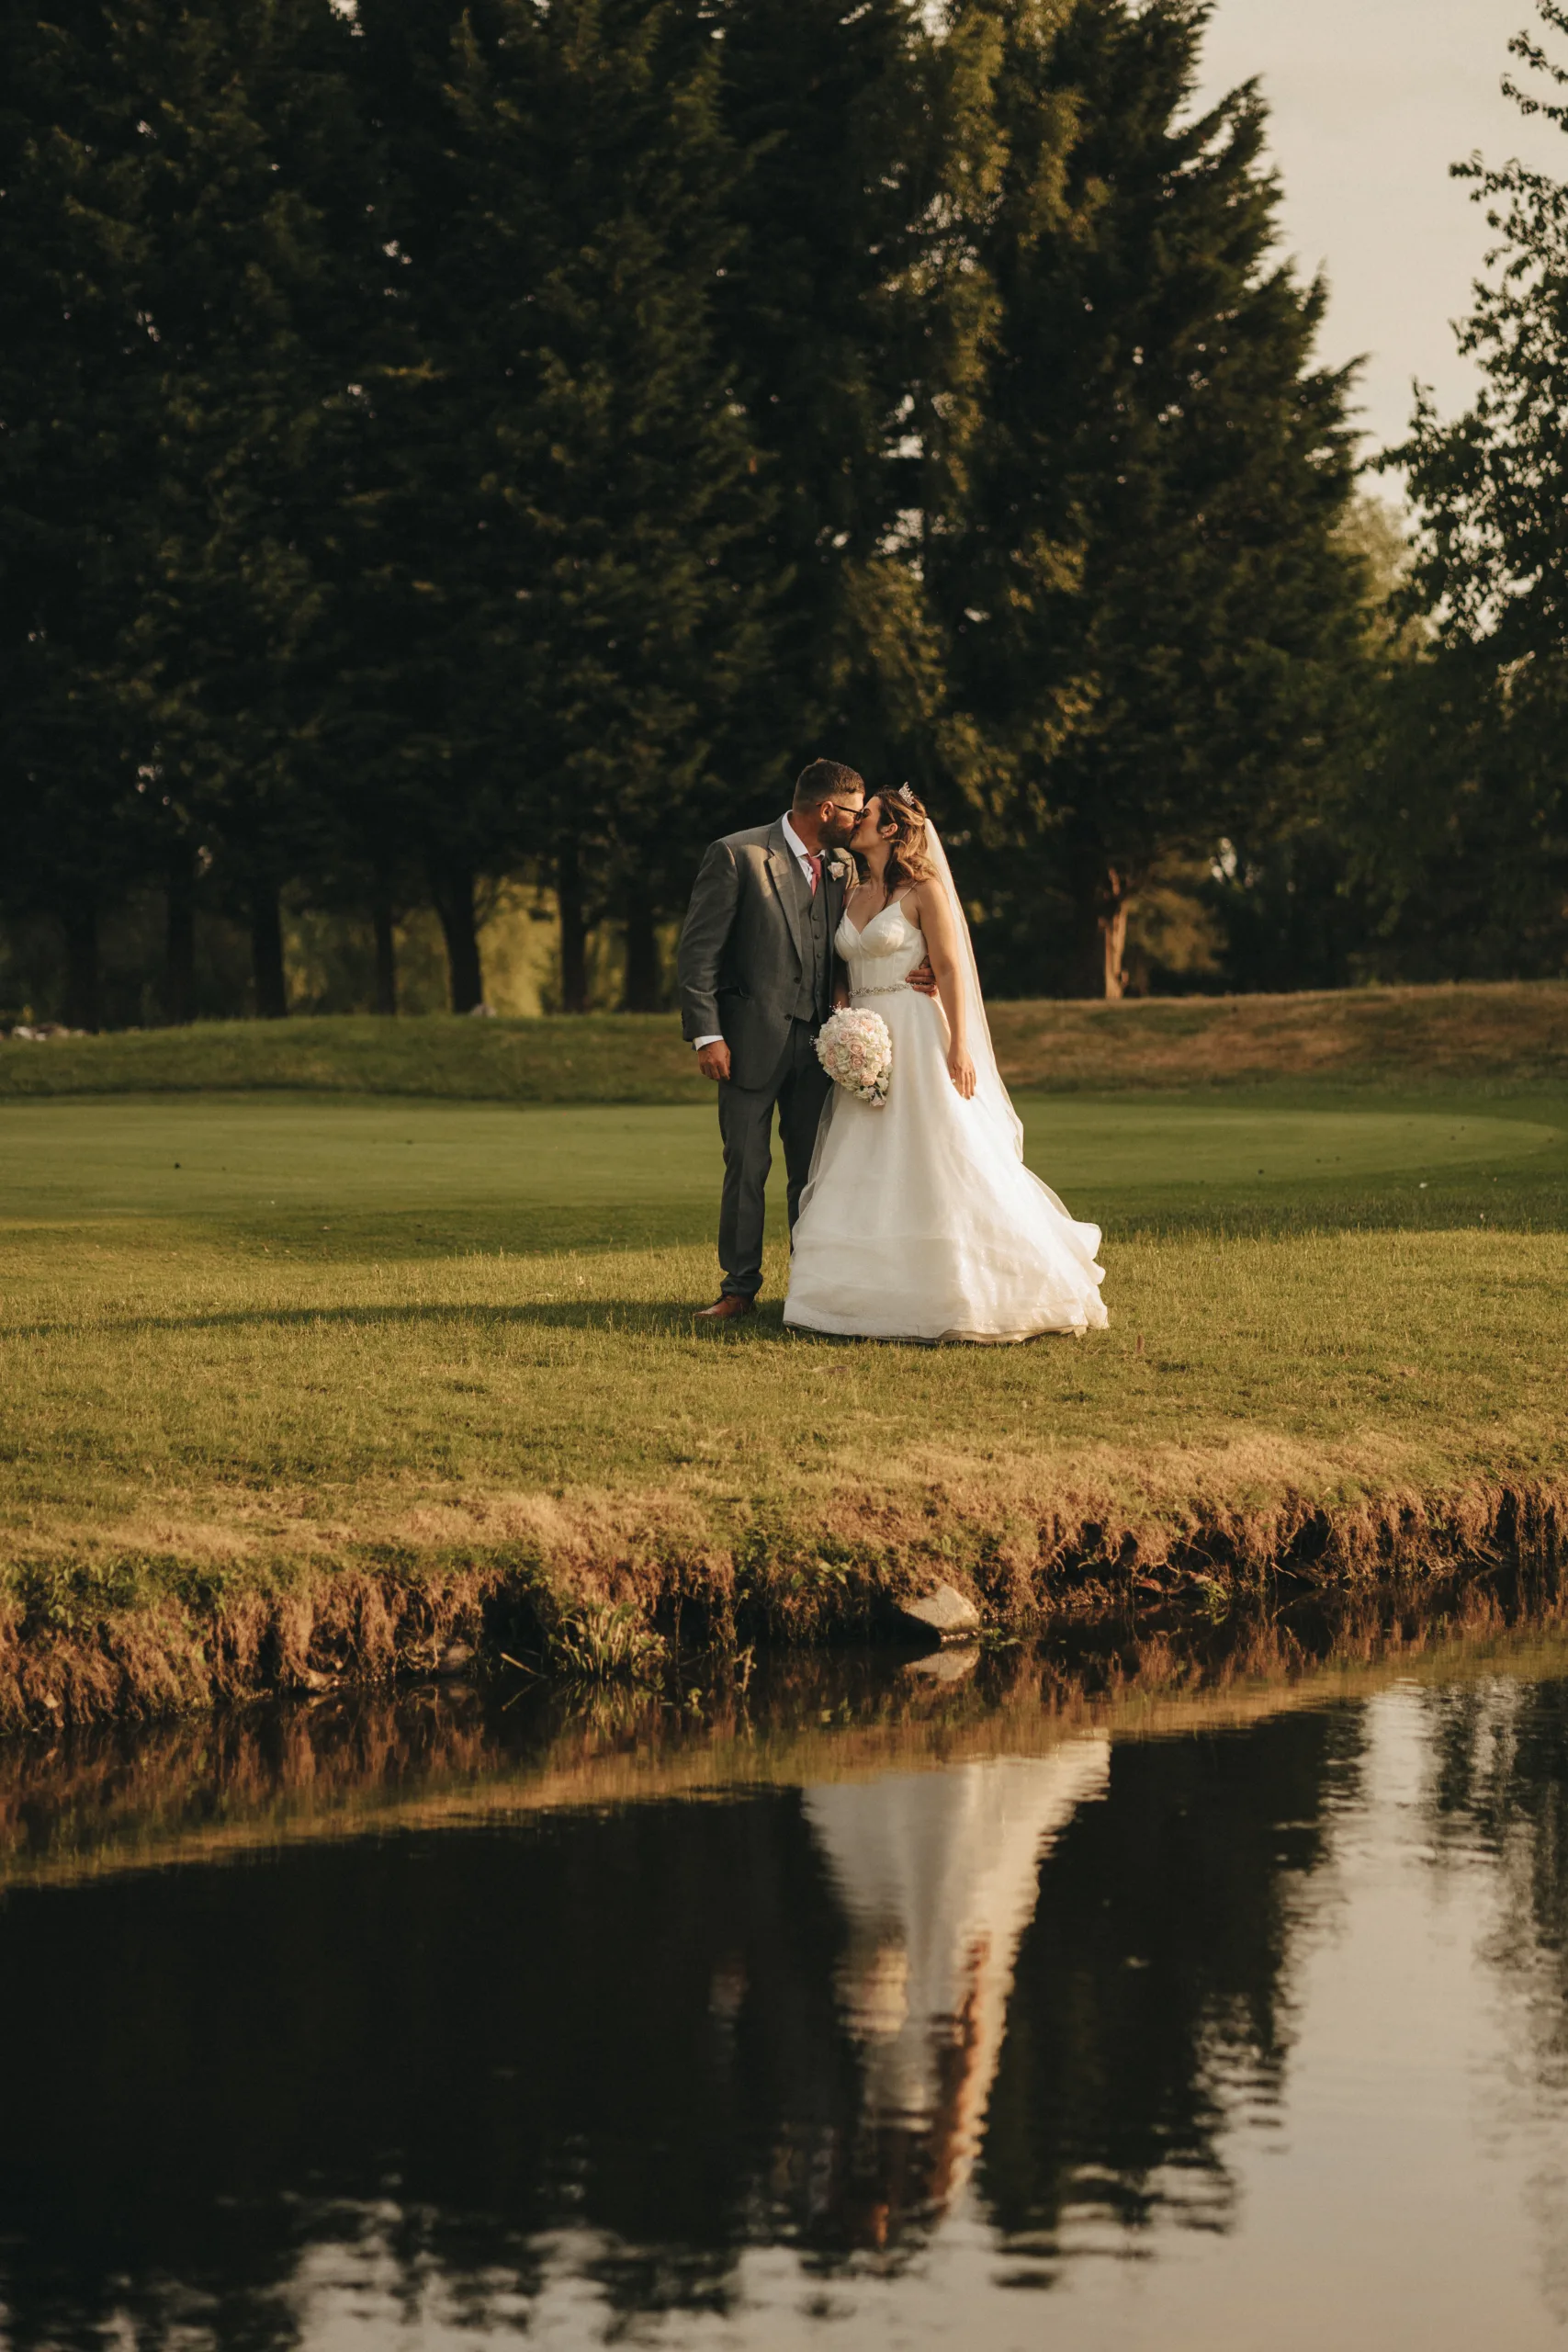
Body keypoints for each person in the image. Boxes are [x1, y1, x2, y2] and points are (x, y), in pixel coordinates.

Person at [783, 784, 1108, 1342]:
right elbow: (841, 962)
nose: (856, 822)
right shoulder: (851, 889)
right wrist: (842, 1010)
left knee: (937, 1150)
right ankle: (853, 1295)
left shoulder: (923, 889)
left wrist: (959, 1043)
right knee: (864, 1157)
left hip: (916, 1032)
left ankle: (977, 1286)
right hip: (864, 1036)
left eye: (869, 816)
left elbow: (952, 969)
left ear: (890, 829)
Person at [680, 760, 935, 1320]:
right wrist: (707, 1035)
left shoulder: (845, 868)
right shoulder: (737, 855)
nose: (860, 819)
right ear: (827, 810)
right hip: (746, 1043)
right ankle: (738, 1290)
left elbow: (896, 929)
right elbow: (699, 955)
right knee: (746, 1166)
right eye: (855, 810)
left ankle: (810, 1288)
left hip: (823, 1049)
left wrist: (931, 966)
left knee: (815, 1172)